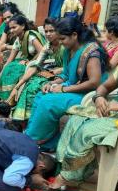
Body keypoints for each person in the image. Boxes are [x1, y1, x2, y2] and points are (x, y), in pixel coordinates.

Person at [51, 32, 118, 189]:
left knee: (87, 131)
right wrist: (99, 98)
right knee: (75, 120)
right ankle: (65, 166)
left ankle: (68, 176)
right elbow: (105, 86)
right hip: (116, 115)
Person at [24, 17, 108, 152]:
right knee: (40, 94)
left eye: (62, 39)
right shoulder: (69, 50)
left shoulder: (91, 52)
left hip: (90, 95)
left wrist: (63, 89)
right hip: (74, 88)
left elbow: (94, 82)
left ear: (75, 35)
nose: (61, 43)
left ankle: (34, 139)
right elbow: (66, 75)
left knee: (48, 102)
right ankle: (46, 141)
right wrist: (52, 83)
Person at [8, 18, 65, 121]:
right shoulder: (48, 46)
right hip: (51, 72)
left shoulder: (65, 46)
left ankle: (33, 120)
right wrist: (17, 87)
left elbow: (70, 67)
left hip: (64, 76)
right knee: (31, 82)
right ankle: (24, 120)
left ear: (59, 31)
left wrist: (59, 70)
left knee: (35, 87)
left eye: (51, 31)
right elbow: (37, 65)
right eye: (46, 31)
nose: (48, 34)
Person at [0, 15, 45, 100]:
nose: (11, 30)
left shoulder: (31, 37)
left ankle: (9, 99)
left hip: (42, 62)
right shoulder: (18, 39)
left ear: (23, 26)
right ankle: (3, 98)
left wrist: (30, 61)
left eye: (14, 27)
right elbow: (9, 60)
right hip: (28, 61)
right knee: (9, 66)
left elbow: (42, 52)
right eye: (10, 28)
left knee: (17, 69)